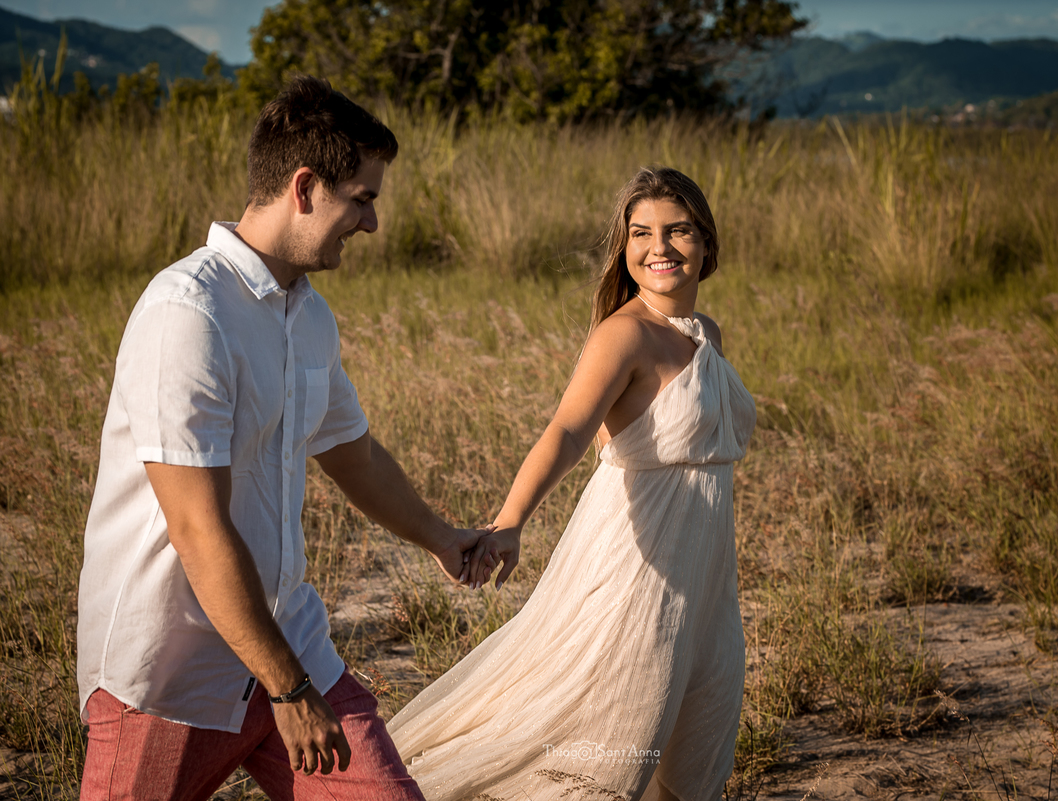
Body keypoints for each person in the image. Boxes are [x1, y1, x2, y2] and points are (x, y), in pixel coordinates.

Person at [76, 75, 482, 800]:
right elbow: (197, 528)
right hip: (171, 672)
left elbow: (353, 454)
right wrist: (288, 689)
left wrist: (440, 539)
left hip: (293, 643)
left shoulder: (309, 315)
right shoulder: (188, 312)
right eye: (362, 199)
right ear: (304, 187)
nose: (372, 223)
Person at [386, 166, 758, 801]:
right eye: (641, 233)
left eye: (678, 231)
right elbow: (565, 431)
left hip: (706, 573)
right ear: (624, 246)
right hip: (637, 567)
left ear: (706, 242)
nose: (660, 247)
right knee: (612, 743)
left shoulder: (706, 333)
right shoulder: (625, 334)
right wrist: (510, 523)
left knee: (697, 742)